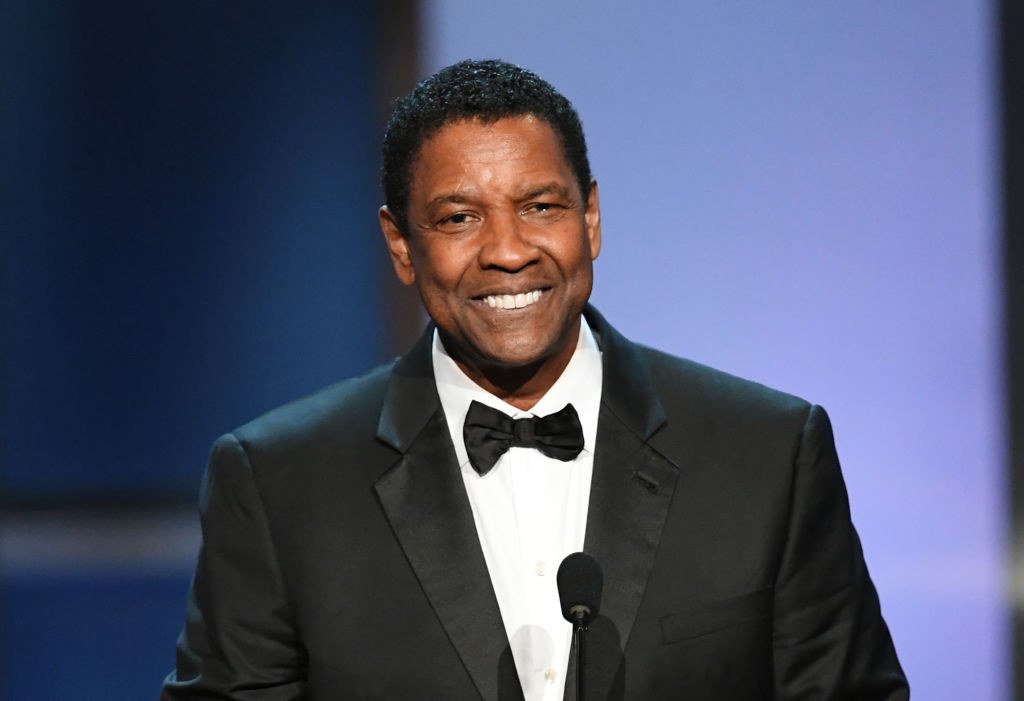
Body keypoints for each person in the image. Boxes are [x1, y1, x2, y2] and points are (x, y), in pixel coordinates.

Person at [162, 59, 908, 700]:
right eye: (459, 218)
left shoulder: (767, 454)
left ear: (591, 218)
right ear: (402, 245)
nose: (509, 251)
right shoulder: (281, 483)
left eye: (540, 207)